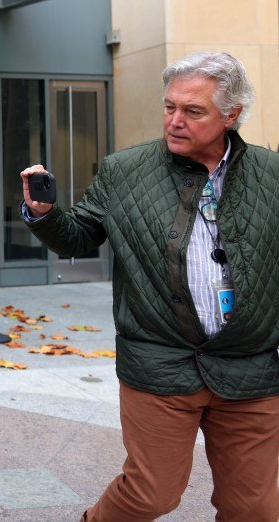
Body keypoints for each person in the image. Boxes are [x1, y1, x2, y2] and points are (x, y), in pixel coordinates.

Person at [20, 51, 279, 521]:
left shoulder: (271, 174)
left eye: (193, 111)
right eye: (169, 107)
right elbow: (78, 237)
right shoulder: (124, 170)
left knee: (255, 508)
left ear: (231, 115)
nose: (175, 121)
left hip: (250, 368)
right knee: (150, 495)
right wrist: (44, 215)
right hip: (161, 364)